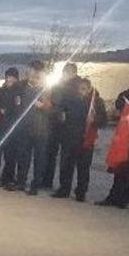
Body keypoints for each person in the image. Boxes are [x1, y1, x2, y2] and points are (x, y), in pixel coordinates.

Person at [53, 78, 107, 202]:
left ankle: (81, 192)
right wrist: (61, 115)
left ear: (89, 89)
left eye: (83, 89)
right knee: (66, 166)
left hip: (86, 139)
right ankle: (64, 189)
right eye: (79, 88)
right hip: (69, 137)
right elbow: (60, 111)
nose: (80, 91)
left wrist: (94, 120)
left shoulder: (97, 102)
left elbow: (104, 121)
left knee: (83, 168)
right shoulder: (69, 99)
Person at [97, 68, 129, 209]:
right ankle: (113, 197)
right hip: (126, 138)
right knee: (121, 167)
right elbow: (118, 109)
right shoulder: (126, 95)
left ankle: (125, 199)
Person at [13, 62, 52, 195]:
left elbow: (53, 109)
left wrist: (43, 106)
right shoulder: (23, 88)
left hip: (41, 130)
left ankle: (35, 185)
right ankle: (21, 182)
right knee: (23, 157)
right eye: (31, 76)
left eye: (36, 76)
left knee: (39, 159)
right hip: (25, 128)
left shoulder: (47, 90)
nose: (33, 78)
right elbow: (18, 106)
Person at [44, 62, 83, 190]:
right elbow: (53, 100)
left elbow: (79, 105)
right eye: (64, 71)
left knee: (66, 158)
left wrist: (65, 111)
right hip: (55, 123)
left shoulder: (80, 86)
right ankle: (47, 180)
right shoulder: (59, 85)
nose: (64, 74)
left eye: (67, 72)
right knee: (50, 153)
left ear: (74, 73)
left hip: (70, 127)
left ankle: (64, 187)